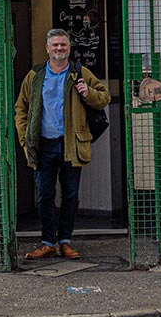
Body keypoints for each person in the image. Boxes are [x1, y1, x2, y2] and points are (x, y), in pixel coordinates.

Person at [14, 27, 110, 261]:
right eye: (55, 45)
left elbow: (104, 97)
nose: (59, 48)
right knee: (44, 196)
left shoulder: (80, 73)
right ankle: (48, 242)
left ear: (69, 48)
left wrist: (88, 93)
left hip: (70, 145)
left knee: (70, 195)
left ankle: (65, 241)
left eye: (63, 45)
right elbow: (21, 108)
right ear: (48, 49)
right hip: (44, 145)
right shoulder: (35, 76)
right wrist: (26, 137)